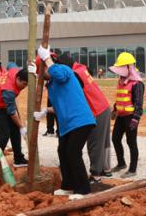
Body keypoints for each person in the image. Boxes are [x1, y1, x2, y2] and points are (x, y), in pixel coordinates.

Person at [35, 45, 96, 199]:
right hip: (68, 125)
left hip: (80, 120)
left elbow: (59, 74)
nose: (41, 75)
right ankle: (68, 185)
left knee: (73, 152)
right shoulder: (52, 85)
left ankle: (83, 190)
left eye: (40, 71)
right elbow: (59, 106)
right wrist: (45, 111)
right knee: (62, 151)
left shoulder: (64, 70)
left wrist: (47, 59)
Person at [0, 67, 30, 169]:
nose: (24, 87)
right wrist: (22, 127)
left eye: (27, 85)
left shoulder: (14, 70)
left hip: (4, 104)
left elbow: (11, 64)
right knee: (4, 133)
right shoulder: (8, 91)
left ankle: (18, 159)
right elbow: (12, 112)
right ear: (18, 79)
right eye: (24, 84)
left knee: (15, 130)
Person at [110, 52, 144, 178]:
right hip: (121, 116)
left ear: (129, 67)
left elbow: (139, 103)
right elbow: (120, 98)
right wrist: (114, 110)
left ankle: (132, 169)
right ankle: (121, 163)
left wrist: (136, 118)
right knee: (115, 139)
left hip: (131, 117)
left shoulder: (137, 84)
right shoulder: (121, 80)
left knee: (131, 142)